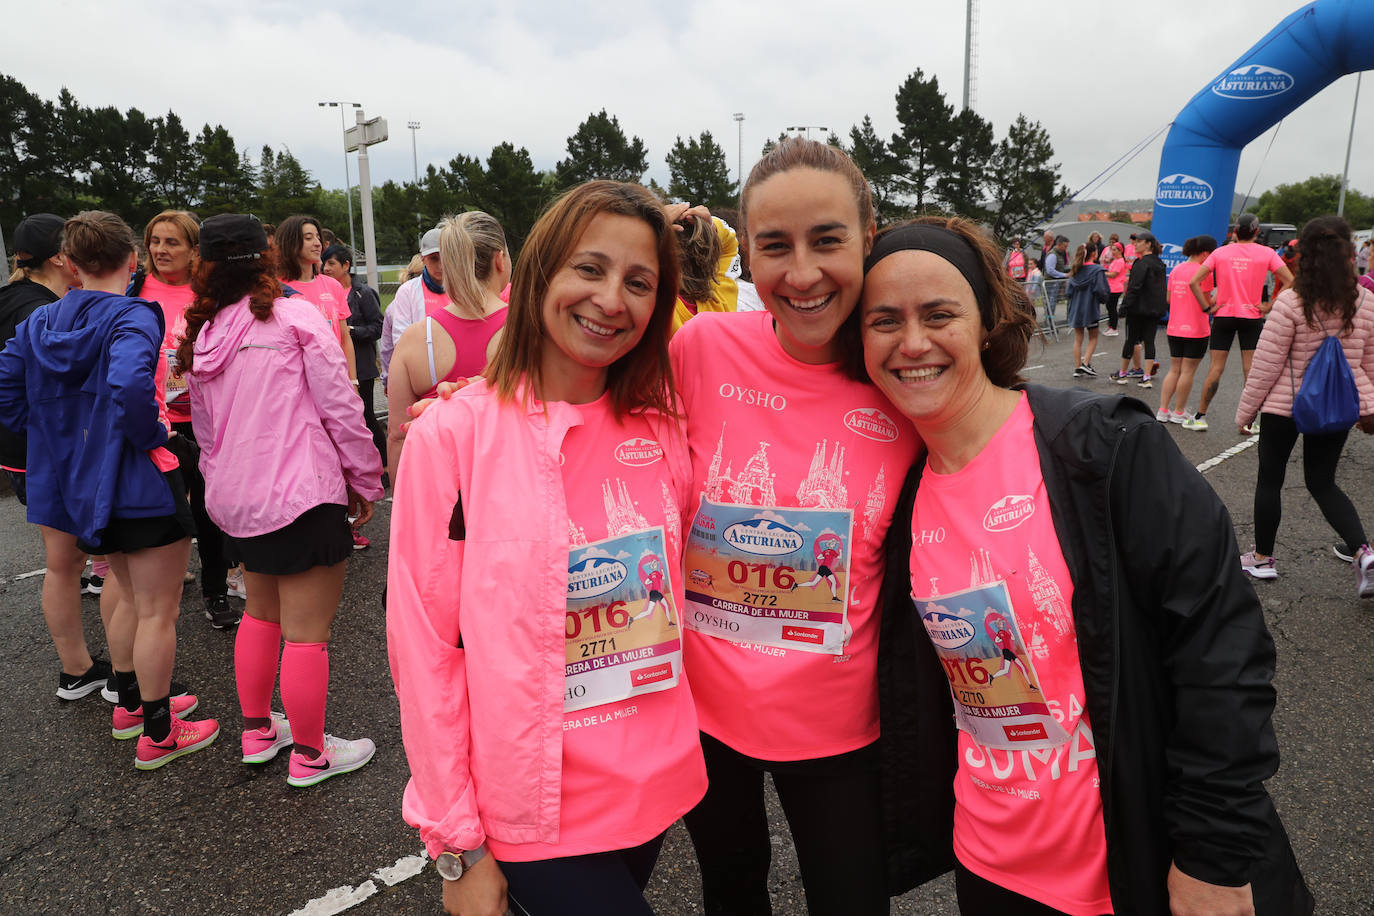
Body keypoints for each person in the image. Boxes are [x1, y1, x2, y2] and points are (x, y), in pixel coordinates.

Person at [861, 215, 1313, 916]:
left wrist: (1212, 859)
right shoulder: (901, 494)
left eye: (939, 313)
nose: (912, 342)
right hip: (989, 865)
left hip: (1131, 868)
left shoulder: (1104, 451)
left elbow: (1222, 653)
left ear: (986, 320)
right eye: (884, 320)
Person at [387, 181, 707, 916]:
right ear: (538, 275)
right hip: (528, 810)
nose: (611, 300)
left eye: (638, 282)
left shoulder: (660, 426)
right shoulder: (455, 435)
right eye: (588, 269)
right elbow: (424, 647)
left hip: (649, 787)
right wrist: (456, 843)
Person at [670, 138, 919, 916]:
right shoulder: (700, 348)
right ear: (746, 254)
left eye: (827, 240)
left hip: (843, 731)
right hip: (705, 713)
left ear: (868, 237)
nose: (802, 274)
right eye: (775, 246)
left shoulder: (906, 371)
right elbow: (583, 401)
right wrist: (469, 410)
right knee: (731, 893)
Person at [0, 211, 212, 769]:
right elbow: (128, 385)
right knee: (157, 609)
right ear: (132, 260)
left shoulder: (38, 322)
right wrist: (155, 434)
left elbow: (7, 389)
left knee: (122, 587)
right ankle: (160, 731)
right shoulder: (133, 315)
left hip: (75, 479)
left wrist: (49, 432)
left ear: (69, 265)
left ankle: (130, 703)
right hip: (135, 478)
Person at [181, 213, 384, 786]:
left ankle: (258, 730)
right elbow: (341, 406)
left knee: (260, 615)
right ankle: (312, 754)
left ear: (207, 265)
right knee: (307, 633)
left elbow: (205, 429)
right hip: (302, 490)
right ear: (266, 255)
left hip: (238, 498)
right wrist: (365, 479)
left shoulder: (205, 332)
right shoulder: (294, 317)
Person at [0, 212, 120, 699]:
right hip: (56, 449)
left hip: (24, 451)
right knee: (111, 562)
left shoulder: (10, 299)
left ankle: (77, 669)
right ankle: (126, 680)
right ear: (61, 259)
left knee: (61, 563)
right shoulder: (42, 312)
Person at [1235, 215, 1374, 589]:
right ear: (1348, 252)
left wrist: (1246, 411)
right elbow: (1370, 360)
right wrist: (1370, 408)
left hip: (1286, 407)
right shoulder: (1365, 301)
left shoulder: (1291, 302)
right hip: (1339, 407)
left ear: (1305, 253)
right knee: (1323, 482)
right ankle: (1364, 553)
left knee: (1270, 479)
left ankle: (1262, 558)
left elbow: (1266, 366)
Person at [132, 210, 240, 628]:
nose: (160, 249)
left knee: (210, 508)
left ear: (195, 249)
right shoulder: (135, 291)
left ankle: (216, 592)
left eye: (171, 242)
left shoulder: (211, 292)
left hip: (203, 417)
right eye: (155, 241)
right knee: (160, 512)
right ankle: (154, 605)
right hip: (152, 419)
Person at [386, 213, 509, 480]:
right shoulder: (529, 331)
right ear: (500, 259)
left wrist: (401, 510)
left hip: (439, 500)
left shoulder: (415, 338)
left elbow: (397, 436)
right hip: (511, 497)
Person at [1185, 212, 1294, 432]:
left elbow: (1194, 281)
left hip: (1223, 315)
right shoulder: (1267, 253)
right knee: (1250, 370)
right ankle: (1247, 422)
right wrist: (1269, 305)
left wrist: (1207, 308)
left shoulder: (1220, 252)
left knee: (1216, 368)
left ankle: (1200, 417)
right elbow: (1291, 280)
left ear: (1234, 231)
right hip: (1252, 316)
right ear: (1256, 232)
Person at [321, 243, 386, 477]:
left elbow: (378, 327)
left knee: (367, 415)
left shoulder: (363, 293)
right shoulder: (324, 293)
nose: (326, 268)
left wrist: (350, 330)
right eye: (324, 263)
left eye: (331, 263)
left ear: (346, 266)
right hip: (338, 368)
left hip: (363, 367)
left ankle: (385, 465)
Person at [274, 215, 358, 383]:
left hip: (335, 379)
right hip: (296, 381)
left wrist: (353, 381)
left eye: (318, 237)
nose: (318, 243)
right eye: (308, 238)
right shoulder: (276, 288)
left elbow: (344, 338)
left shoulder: (333, 285)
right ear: (291, 243)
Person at [1158, 235, 1216, 424]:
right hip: (1196, 329)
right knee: (1187, 372)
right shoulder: (1204, 272)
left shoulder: (1176, 270)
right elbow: (1206, 303)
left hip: (1174, 327)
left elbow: (1168, 299)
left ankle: (1163, 410)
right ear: (1205, 253)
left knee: (1174, 369)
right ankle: (1179, 411)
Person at [381, 227, 447, 384]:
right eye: (433, 259)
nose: (440, 265)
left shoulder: (463, 288)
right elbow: (401, 340)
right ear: (423, 259)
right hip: (422, 377)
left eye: (444, 257)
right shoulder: (407, 291)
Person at [1110, 232, 1166, 389]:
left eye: (1139, 242)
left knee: (1131, 339)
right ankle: (1146, 376)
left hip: (1137, 308)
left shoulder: (1140, 263)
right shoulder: (1160, 263)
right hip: (1154, 309)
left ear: (1148, 244)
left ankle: (1122, 373)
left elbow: (1134, 288)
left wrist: (1124, 307)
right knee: (1149, 340)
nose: (1135, 244)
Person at [671, 214, 740, 331]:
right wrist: (712, 225)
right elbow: (730, 243)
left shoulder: (658, 306)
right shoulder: (720, 306)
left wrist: (653, 221)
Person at [1066, 243, 1107, 378]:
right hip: (1090, 308)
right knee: (1093, 337)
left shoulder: (1075, 270)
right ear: (1094, 254)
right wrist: (1104, 299)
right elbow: (1101, 290)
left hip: (1076, 309)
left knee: (1078, 339)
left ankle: (1077, 367)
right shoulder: (1097, 270)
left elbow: (1068, 292)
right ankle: (1086, 363)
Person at [1100, 242, 1125, 336]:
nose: (1112, 252)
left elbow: (1113, 274)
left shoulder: (1120, 261)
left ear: (1120, 251)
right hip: (1111, 287)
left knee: (1112, 308)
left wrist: (1102, 273)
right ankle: (1111, 327)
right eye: (1112, 249)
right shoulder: (1115, 260)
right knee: (1110, 307)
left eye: (1114, 250)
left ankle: (1114, 328)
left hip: (1116, 288)